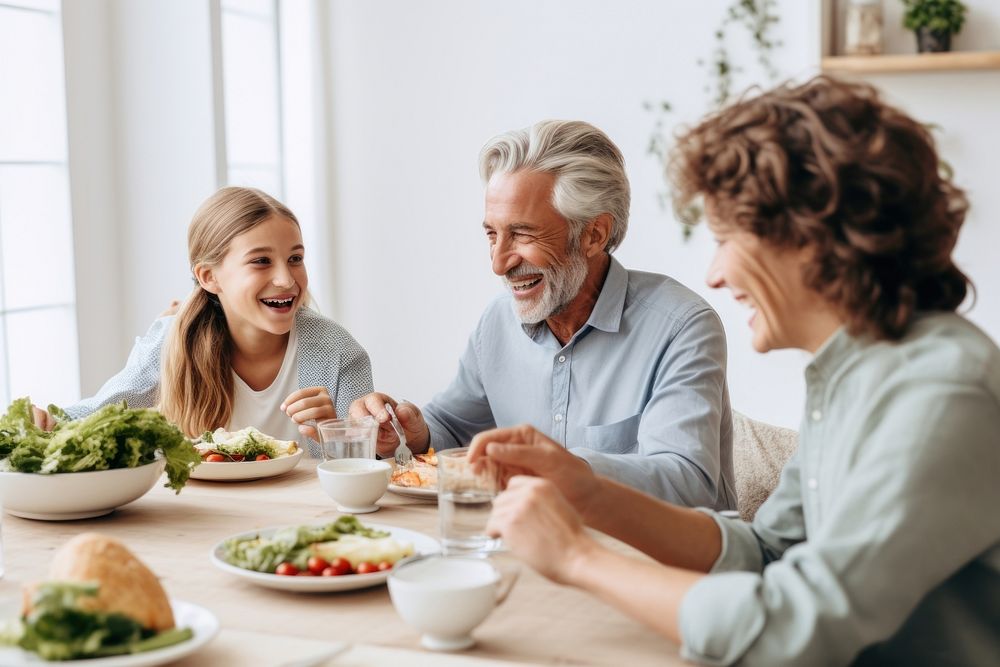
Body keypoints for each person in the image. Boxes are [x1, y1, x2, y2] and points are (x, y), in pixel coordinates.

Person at [469, 76, 1000, 665]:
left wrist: (576, 557)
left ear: (812, 239)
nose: (716, 274)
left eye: (728, 239)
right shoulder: (853, 375)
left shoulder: (941, 394)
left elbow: (795, 629)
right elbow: (768, 549)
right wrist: (587, 492)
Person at [352, 120, 735, 507]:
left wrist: (558, 467)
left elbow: (688, 484)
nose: (499, 264)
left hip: (648, 560)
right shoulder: (498, 323)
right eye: (491, 234)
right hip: (528, 549)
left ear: (594, 235)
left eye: (522, 234)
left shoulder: (681, 326)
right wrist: (410, 433)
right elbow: (451, 427)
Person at [33, 187, 373, 455]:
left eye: (295, 258)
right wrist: (42, 422)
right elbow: (100, 413)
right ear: (210, 277)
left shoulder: (339, 352)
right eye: (261, 261)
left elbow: (370, 462)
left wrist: (334, 431)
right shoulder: (171, 342)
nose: (286, 279)